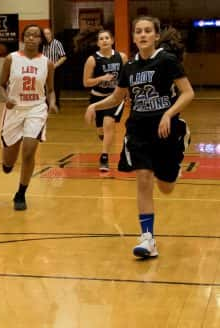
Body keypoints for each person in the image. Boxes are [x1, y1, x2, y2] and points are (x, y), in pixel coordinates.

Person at [86, 16, 194, 258]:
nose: (143, 35)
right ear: (133, 37)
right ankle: (147, 239)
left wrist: (169, 113)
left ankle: (175, 156)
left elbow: (188, 93)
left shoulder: (167, 60)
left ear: (156, 36)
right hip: (138, 130)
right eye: (138, 31)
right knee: (143, 178)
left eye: (148, 31)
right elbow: (117, 97)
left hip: (165, 128)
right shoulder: (130, 67)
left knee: (166, 188)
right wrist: (95, 106)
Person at [0, 24, 57, 211]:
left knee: (29, 151)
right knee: (9, 162)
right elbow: (0, 85)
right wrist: (6, 99)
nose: (31, 38)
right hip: (14, 109)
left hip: (36, 109)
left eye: (36, 35)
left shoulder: (47, 63)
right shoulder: (11, 59)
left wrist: (52, 103)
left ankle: (21, 193)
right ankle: (7, 163)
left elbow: (51, 90)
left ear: (41, 40)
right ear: (23, 38)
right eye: (28, 35)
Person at [82, 29, 128, 171]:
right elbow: (86, 82)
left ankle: (104, 157)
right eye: (101, 39)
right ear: (98, 43)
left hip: (115, 98)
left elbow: (127, 78)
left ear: (112, 41)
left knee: (109, 123)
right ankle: (105, 142)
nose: (104, 40)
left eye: (107, 38)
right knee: (101, 130)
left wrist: (128, 95)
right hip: (97, 97)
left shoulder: (122, 57)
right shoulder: (92, 59)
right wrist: (101, 78)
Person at [42, 28, 66, 110]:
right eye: (45, 34)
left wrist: (54, 65)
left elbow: (63, 57)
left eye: (48, 33)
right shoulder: (41, 44)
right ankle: (46, 105)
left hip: (55, 69)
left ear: (51, 34)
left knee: (55, 87)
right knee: (43, 87)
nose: (47, 35)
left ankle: (55, 105)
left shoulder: (57, 43)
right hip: (43, 69)